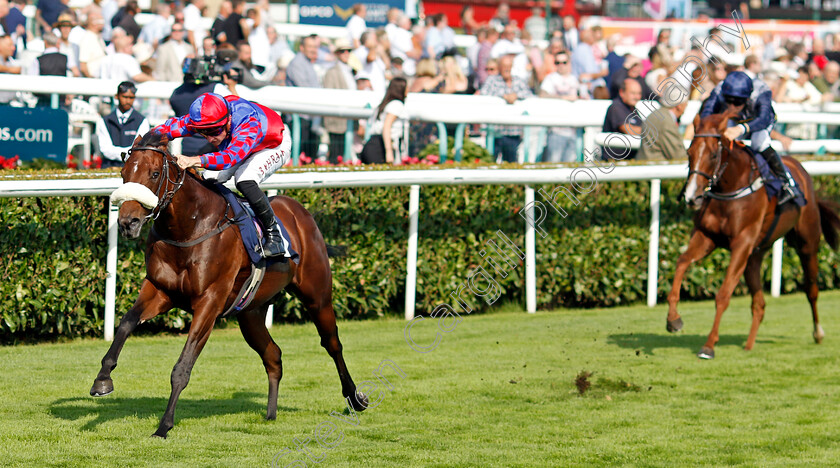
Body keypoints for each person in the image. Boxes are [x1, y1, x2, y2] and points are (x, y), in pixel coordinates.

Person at [153, 92, 291, 258]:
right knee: (210, 177)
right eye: (204, 133)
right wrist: (146, 141)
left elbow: (229, 158)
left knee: (244, 179)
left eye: (215, 131)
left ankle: (274, 236)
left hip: (272, 145)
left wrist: (193, 160)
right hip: (239, 144)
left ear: (228, 120)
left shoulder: (248, 121)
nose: (210, 139)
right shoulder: (206, 118)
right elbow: (169, 128)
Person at [700, 71, 798, 204]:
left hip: (760, 119)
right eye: (729, 100)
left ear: (747, 98)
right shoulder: (718, 90)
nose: (732, 106)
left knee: (759, 142)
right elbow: (706, 114)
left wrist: (741, 128)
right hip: (736, 118)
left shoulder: (762, 91)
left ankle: (787, 183)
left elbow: (763, 118)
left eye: (737, 102)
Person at [480, 55, 533, 163]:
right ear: (499, 67)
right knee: (490, 162)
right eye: (504, 66)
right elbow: (484, 93)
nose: (506, 68)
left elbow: (530, 96)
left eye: (509, 66)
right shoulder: (492, 80)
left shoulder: (519, 81)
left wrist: (516, 95)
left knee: (511, 164)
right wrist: (504, 95)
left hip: (513, 132)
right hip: (495, 131)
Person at [540, 51, 585, 162]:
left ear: (569, 63)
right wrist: (563, 98)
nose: (561, 65)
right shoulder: (550, 78)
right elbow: (542, 95)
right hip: (556, 130)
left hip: (574, 130)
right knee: (553, 165)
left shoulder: (574, 79)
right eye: (557, 62)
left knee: (570, 168)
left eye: (564, 62)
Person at [95, 81, 150, 168]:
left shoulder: (142, 121)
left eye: (131, 98)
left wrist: (116, 152)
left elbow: (139, 150)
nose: (128, 101)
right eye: (125, 97)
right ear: (116, 96)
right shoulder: (105, 121)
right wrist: (127, 152)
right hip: (109, 167)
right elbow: (105, 150)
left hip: (133, 168)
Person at [360, 77, 408, 165]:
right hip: (380, 147)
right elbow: (387, 127)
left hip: (372, 144)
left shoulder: (385, 104)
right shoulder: (396, 105)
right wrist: (389, 152)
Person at [323, 38, 355, 164]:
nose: (346, 53)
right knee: (336, 155)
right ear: (337, 53)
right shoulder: (331, 72)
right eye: (343, 51)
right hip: (336, 121)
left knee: (344, 154)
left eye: (348, 51)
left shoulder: (351, 70)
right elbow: (329, 95)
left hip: (348, 119)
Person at [602, 78, 643, 161]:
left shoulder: (632, 109)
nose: (637, 97)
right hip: (614, 162)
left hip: (629, 160)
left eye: (639, 93)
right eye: (633, 93)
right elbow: (630, 130)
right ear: (622, 92)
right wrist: (651, 131)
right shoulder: (616, 107)